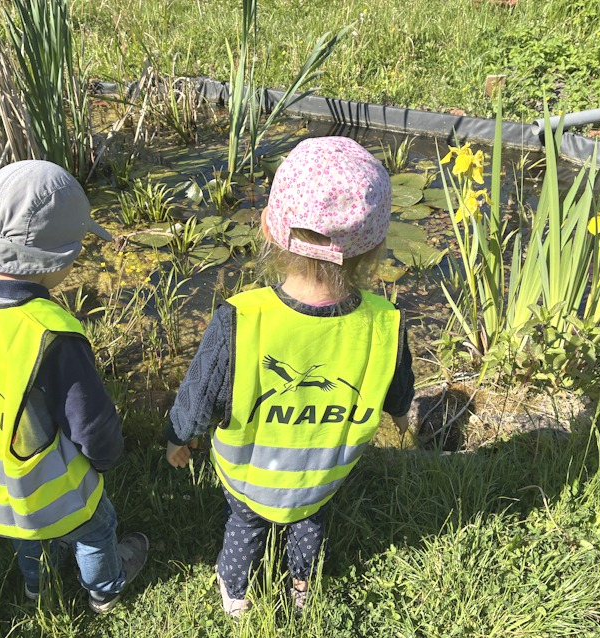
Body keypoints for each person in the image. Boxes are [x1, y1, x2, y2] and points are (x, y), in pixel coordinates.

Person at [165, 136, 414, 617]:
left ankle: (236, 597)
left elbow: (200, 396)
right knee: (309, 524)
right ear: (377, 246)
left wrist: (179, 437)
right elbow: (398, 391)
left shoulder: (241, 319)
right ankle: (302, 588)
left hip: (248, 482)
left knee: (244, 530)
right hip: (322, 478)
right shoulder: (386, 323)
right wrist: (402, 420)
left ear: (269, 227)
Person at [0, 160, 147, 613]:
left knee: (28, 538)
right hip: (52, 489)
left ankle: (39, 590)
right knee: (95, 528)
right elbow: (91, 425)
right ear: (54, 258)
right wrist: (106, 460)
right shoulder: (48, 332)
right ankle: (105, 592)